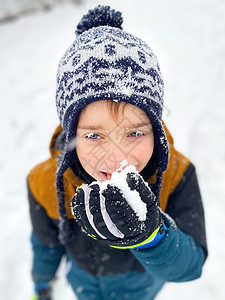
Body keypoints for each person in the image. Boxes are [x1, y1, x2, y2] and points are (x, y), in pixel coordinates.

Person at [28, 5, 207, 300]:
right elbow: (45, 244)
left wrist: (153, 237)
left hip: (140, 289)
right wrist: (41, 282)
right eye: (94, 135)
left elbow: (190, 266)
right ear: (71, 134)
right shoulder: (44, 183)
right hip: (85, 286)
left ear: (156, 129)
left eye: (135, 133)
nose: (117, 157)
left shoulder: (177, 175)